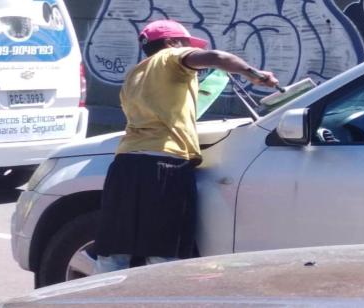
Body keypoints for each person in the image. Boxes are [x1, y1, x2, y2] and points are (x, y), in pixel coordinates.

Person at [93, 19, 279, 273]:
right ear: (171, 43)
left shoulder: (135, 74)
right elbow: (216, 57)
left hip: (125, 164)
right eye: (187, 44)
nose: (191, 52)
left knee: (113, 255)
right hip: (164, 165)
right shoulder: (171, 56)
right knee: (162, 255)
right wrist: (255, 75)